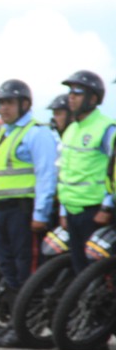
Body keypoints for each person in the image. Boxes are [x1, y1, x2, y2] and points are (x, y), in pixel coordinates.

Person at [0, 79, 58, 347]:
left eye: (9, 103)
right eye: (1, 103)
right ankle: (16, 325)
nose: (4, 108)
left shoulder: (35, 133)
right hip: (2, 210)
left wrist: (40, 213)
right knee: (9, 269)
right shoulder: (3, 133)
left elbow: (45, 175)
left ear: (24, 104)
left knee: (26, 268)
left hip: (23, 210)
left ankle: (28, 327)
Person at [57, 70, 114, 275]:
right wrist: (64, 211)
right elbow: (65, 172)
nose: (71, 97)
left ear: (93, 98)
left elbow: (114, 170)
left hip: (95, 212)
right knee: (79, 270)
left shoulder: (106, 128)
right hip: (73, 211)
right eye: (70, 92)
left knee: (99, 274)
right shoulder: (72, 129)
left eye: (78, 93)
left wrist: (107, 207)